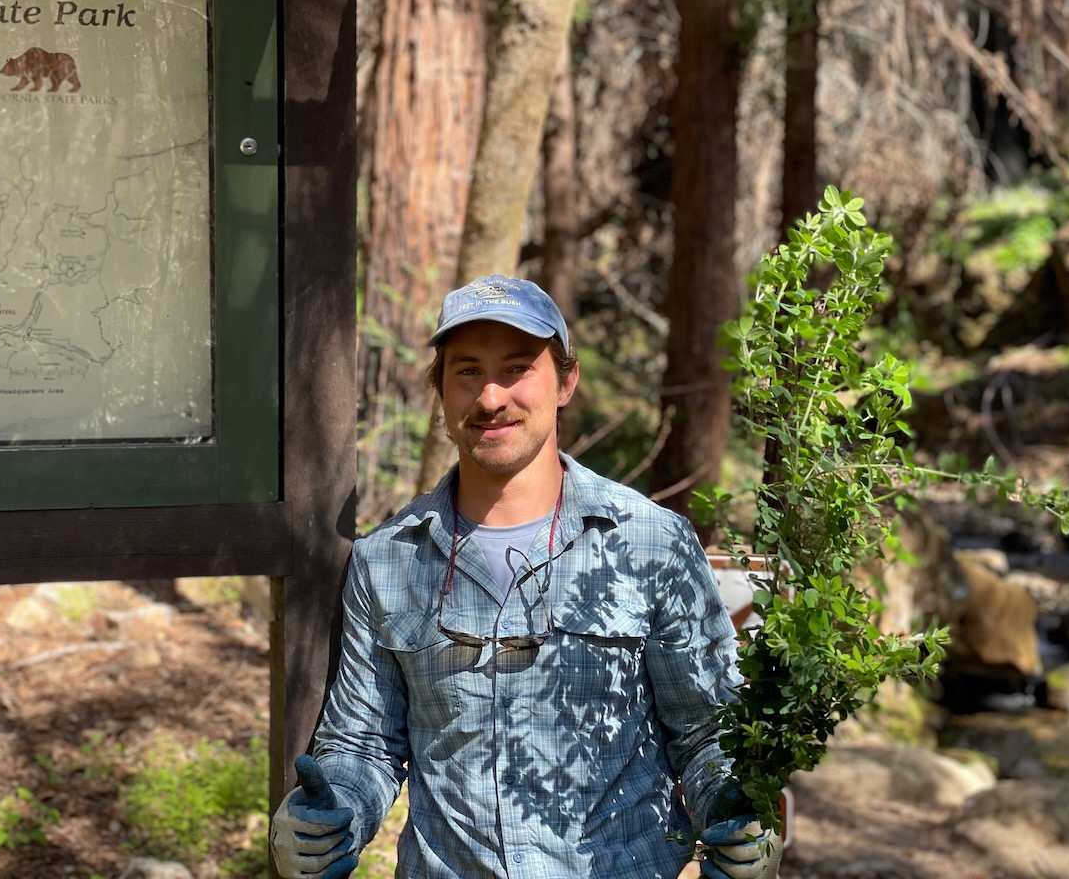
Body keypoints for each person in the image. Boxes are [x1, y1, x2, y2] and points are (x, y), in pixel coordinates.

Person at [270, 275, 781, 879]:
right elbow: (364, 745)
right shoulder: (387, 560)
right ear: (440, 390)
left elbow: (705, 731)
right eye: (466, 372)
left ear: (565, 381)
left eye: (516, 368)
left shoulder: (651, 542)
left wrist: (741, 813)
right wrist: (332, 815)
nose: (490, 398)